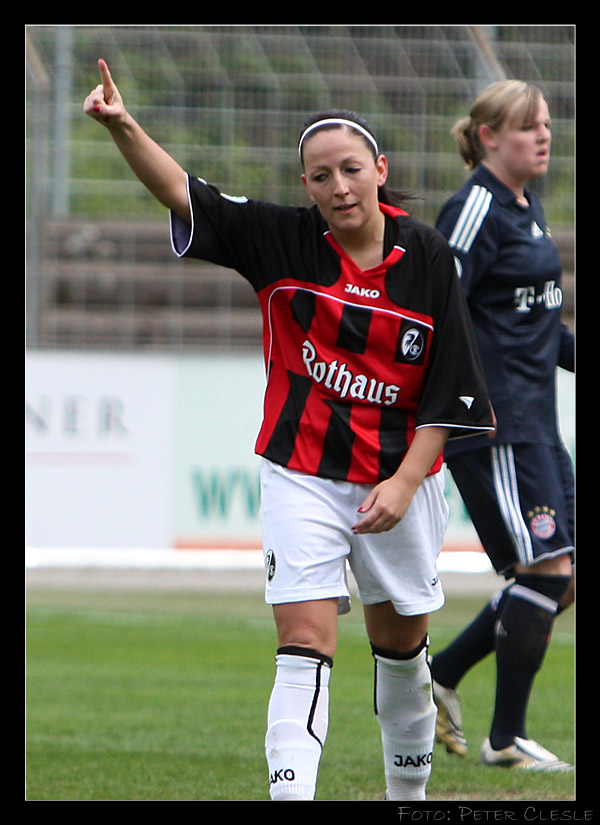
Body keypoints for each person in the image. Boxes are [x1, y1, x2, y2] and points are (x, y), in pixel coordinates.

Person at [84, 58, 495, 801]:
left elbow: (453, 386)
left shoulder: (427, 255)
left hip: (398, 480)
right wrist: (123, 126)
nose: (338, 186)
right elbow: (188, 194)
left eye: (350, 170)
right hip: (299, 470)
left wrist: (404, 482)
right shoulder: (282, 241)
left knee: (402, 652)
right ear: (305, 185)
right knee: (302, 645)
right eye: (320, 175)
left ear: (379, 169)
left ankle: (410, 797)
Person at [430, 80, 575, 771]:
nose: (543, 136)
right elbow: (436, 311)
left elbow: (538, 323)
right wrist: (450, 416)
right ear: (489, 137)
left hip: (537, 423)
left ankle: (444, 673)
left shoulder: (525, 204)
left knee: (563, 577)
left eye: (546, 124)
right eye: (528, 128)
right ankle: (505, 738)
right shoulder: (475, 209)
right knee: (546, 572)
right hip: (497, 429)